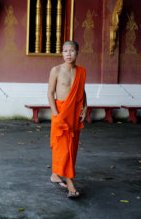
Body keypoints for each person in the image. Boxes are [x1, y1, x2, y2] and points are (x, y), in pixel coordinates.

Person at [47, 40, 87, 198]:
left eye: (72, 51)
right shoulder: (56, 70)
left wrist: (85, 107)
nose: (68, 54)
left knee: (71, 147)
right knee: (62, 147)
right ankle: (71, 185)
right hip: (60, 113)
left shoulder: (81, 71)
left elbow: (82, 90)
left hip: (74, 113)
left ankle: (55, 175)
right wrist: (56, 113)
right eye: (65, 51)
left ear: (77, 52)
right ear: (62, 53)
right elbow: (50, 93)